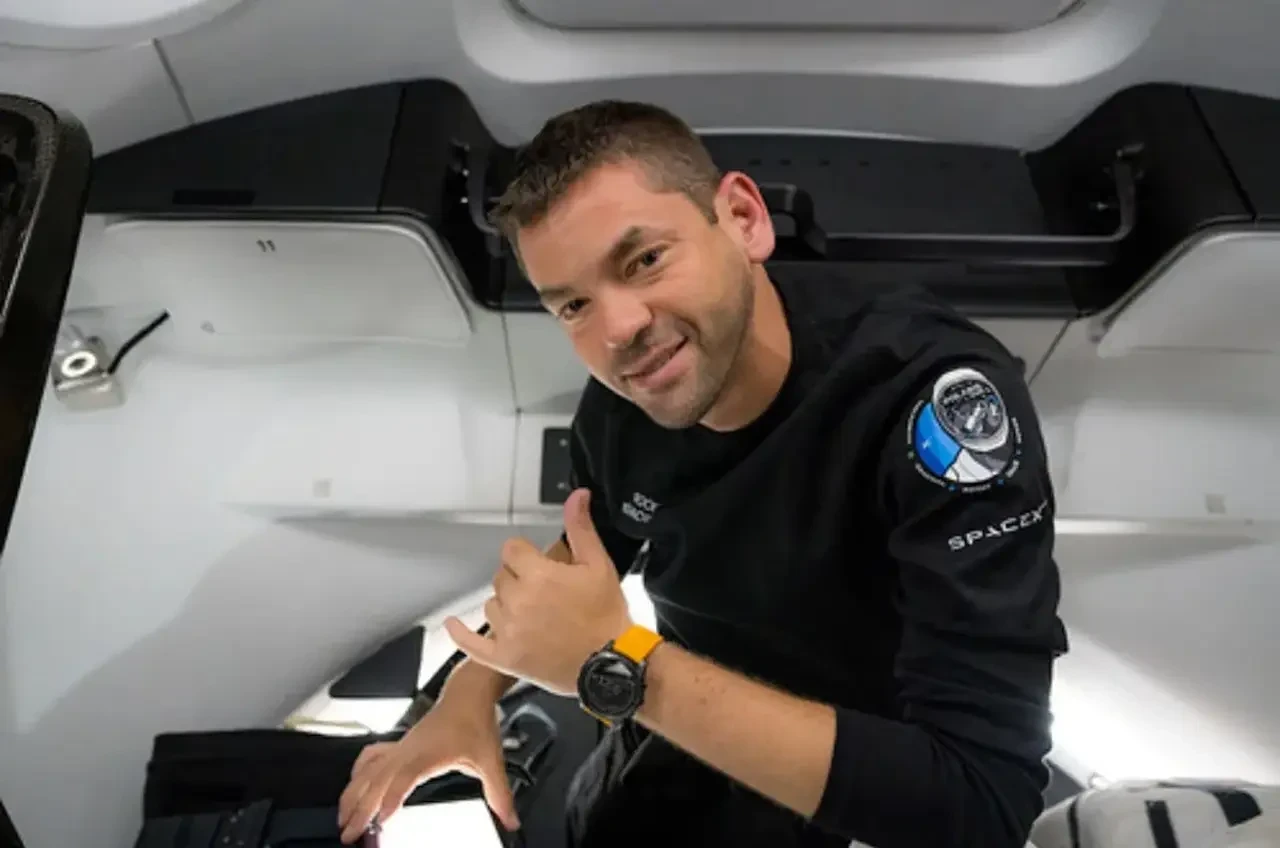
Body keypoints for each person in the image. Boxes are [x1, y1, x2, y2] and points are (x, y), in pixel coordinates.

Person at [336, 99, 1069, 848]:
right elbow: (596, 545)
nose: (619, 330)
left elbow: (982, 802)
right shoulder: (623, 405)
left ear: (744, 219)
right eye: (575, 305)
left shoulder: (928, 406)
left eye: (644, 261)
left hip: (850, 785)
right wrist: (469, 688)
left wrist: (622, 663)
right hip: (663, 741)